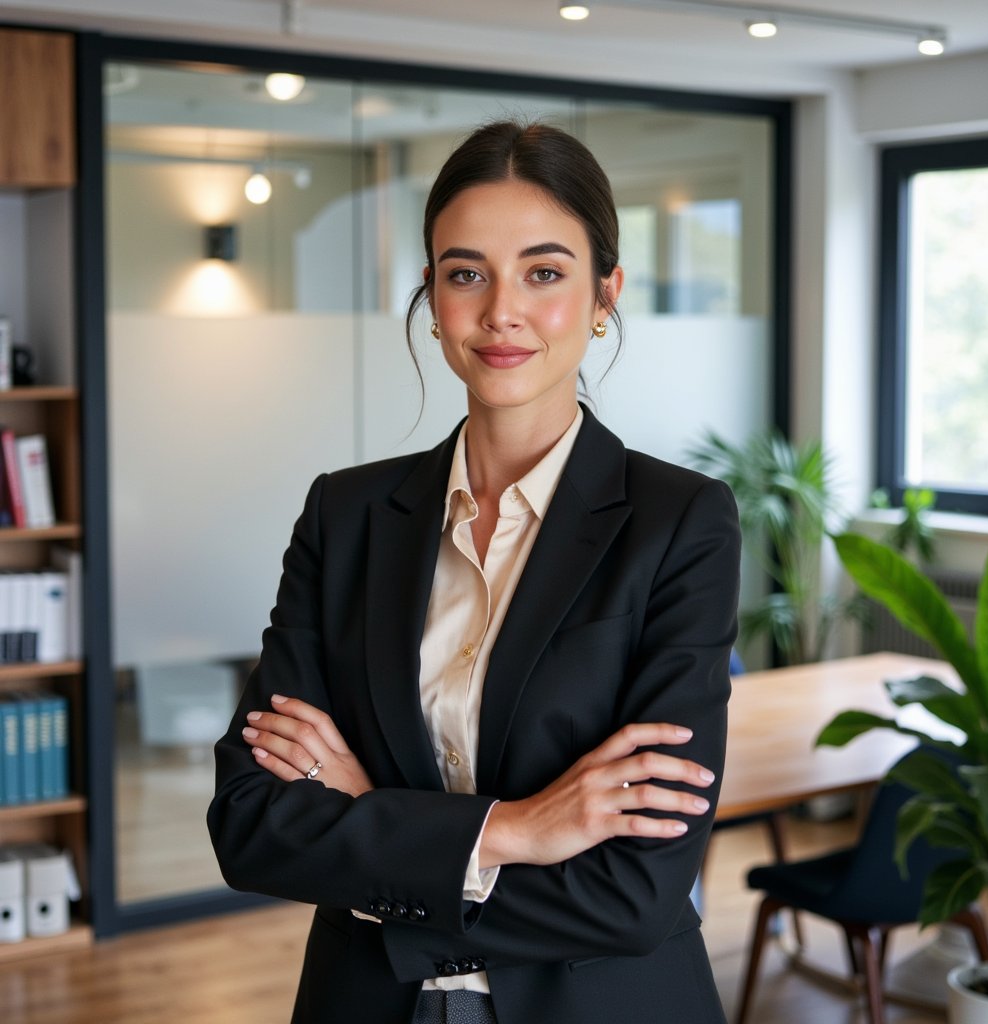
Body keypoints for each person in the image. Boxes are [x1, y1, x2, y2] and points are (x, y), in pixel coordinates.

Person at [208, 119, 740, 1024]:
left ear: (605, 291)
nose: (501, 311)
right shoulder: (347, 516)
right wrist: (520, 830)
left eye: (544, 272)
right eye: (466, 274)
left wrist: (377, 829)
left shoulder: (679, 521)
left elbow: (638, 890)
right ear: (431, 293)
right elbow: (255, 826)